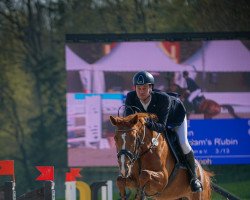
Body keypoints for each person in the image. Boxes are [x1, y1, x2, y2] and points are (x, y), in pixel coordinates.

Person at [125, 71, 202, 193]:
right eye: (138, 88)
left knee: (183, 142)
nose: (141, 91)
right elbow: (128, 122)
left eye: (144, 88)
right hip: (154, 122)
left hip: (175, 118)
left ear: (151, 88)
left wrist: (145, 122)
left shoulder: (163, 99)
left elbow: (161, 127)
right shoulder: (130, 97)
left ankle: (194, 178)